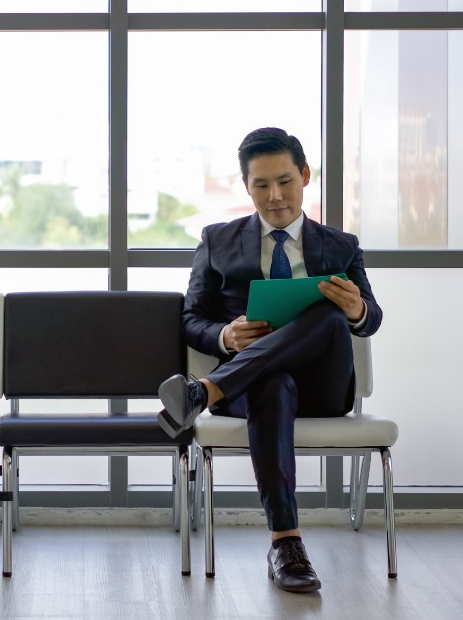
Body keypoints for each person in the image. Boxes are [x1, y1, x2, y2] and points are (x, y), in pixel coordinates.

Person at [157, 127, 382, 594]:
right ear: (246, 186)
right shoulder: (218, 240)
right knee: (272, 382)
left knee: (326, 311)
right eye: (261, 185)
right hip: (255, 389)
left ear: (305, 176)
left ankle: (202, 392)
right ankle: (286, 544)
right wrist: (224, 334)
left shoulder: (341, 246)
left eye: (285, 181)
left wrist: (355, 308)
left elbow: (372, 317)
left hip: (323, 386)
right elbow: (189, 319)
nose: (275, 196)